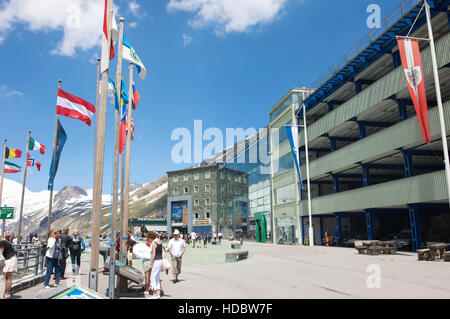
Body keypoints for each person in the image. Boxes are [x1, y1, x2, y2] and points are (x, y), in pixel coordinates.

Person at [0, 235, 17, 299]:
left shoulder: (1, 243)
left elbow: (0, 254)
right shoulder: (5, 242)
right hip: (12, 258)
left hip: (9, 260)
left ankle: (6, 294)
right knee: (8, 277)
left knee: (6, 277)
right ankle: (7, 294)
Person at [149, 232, 163, 299]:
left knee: (152, 277)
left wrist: (150, 263)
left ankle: (154, 293)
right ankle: (158, 293)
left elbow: (153, 254)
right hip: (160, 260)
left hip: (156, 261)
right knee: (157, 277)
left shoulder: (154, 243)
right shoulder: (160, 241)